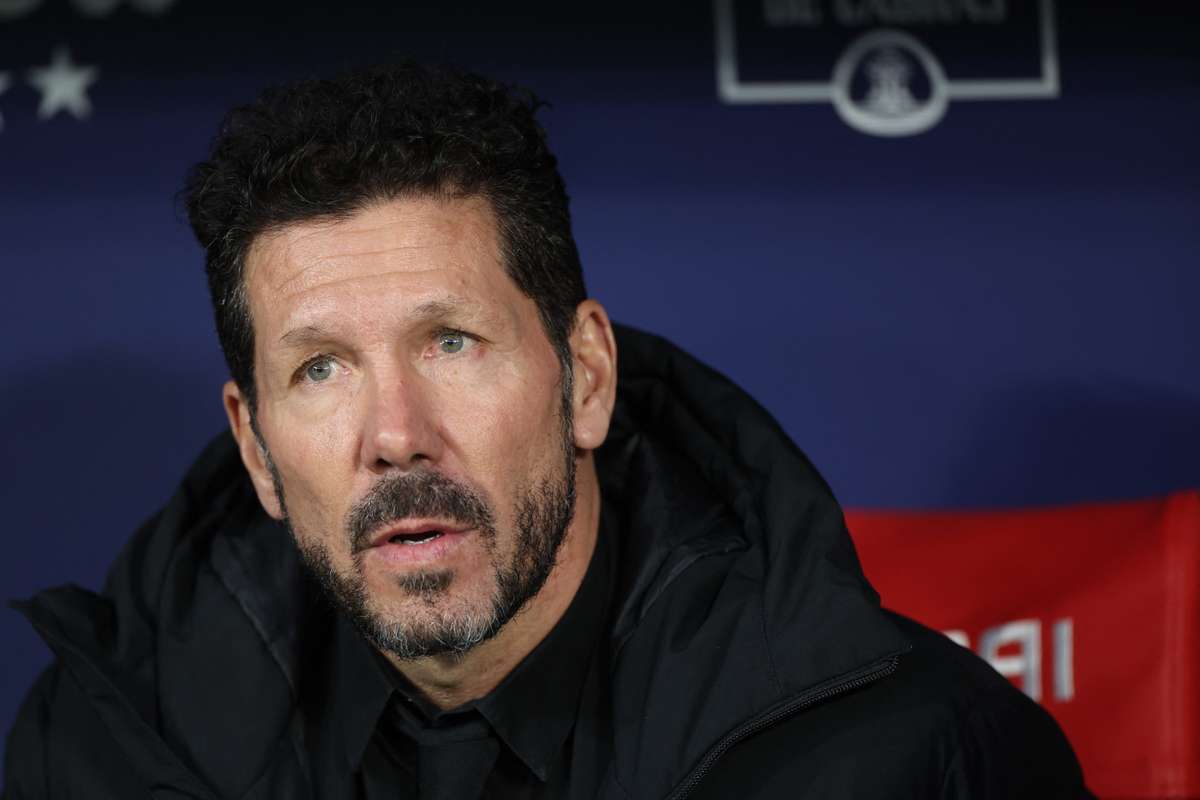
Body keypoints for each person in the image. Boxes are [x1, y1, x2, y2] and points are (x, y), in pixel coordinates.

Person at [3, 62, 1092, 799]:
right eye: (320, 367)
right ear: (256, 448)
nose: (396, 435)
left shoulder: (910, 755)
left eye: (451, 342)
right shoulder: (98, 755)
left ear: (586, 377)